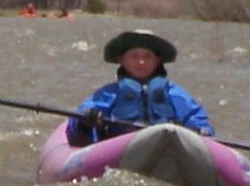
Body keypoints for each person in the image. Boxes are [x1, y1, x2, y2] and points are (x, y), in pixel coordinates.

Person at [66, 29, 214, 144]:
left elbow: (196, 117)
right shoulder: (108, 94)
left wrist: (199, 130)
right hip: (120, 150)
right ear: (121, 60)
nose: (141, 62)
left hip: (165, 149)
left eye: (147, 57)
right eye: (134, 56)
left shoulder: (173, 93)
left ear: (157, 61)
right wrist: (84, 122)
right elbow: (78, 122)